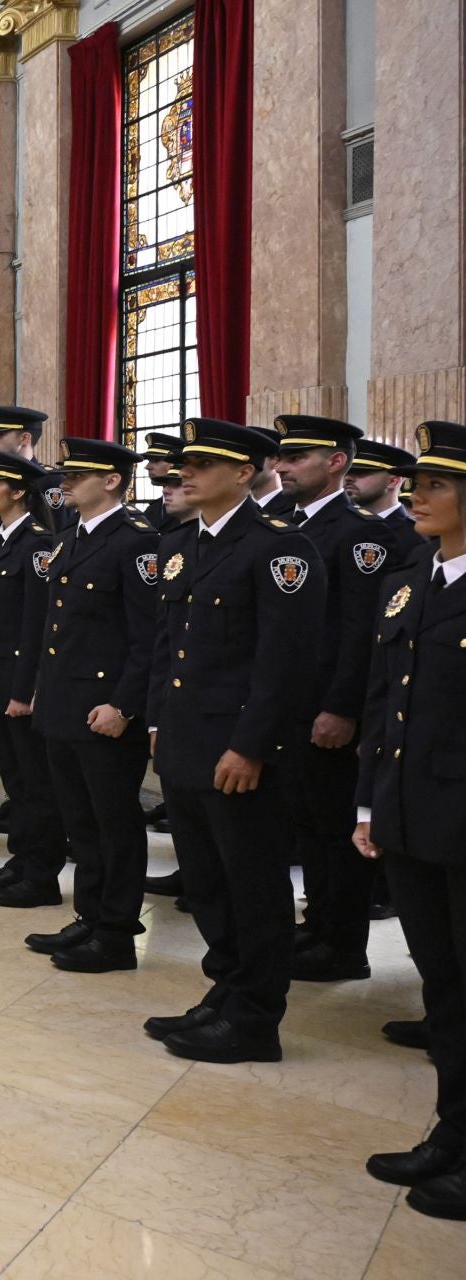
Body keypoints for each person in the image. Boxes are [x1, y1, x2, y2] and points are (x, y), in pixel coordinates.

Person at [144, 418, 324, 1065]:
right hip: (187, 742)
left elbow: (286, 664)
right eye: (184, 465)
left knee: (253, 886)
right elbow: (167, 647)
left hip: (238, 752)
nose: (184, 474)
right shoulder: (183, 545)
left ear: (244, 472)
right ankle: (225, 989)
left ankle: (255, 1019)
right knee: (207, 882)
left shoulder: (278, 550)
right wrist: (158, 723)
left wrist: (251, 746)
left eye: (202, 465)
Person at [354, 420, 466, 1219]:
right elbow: (382, 701)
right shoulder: (411, 579)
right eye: (417, 483)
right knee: (445, 990)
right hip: (409, 814)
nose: (417, 496)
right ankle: (452, 1132)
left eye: (436, 485)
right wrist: (369, 802)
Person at [275, 416, 408, 982]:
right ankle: (318, 923)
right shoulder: (287, 525)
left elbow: (360, 631)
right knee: (307, 823)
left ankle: (344, 945)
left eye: (296, 458)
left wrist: (343, 707)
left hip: (328, 707)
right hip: (292, 704)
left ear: (335, 462)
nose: (282, 467)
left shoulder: (358, 534)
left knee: (335, 827)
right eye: (282, 457)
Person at [18, 438, 160, 970]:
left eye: (78, 475)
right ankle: (90, 915)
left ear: (113, 480)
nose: (66, 483)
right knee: (80, 822)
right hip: (65, 703)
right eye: (66, 475)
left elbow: (149, 638)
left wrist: (124, 705)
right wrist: (43, 687)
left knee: (114, 823)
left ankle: (117, 932)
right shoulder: (70, 538)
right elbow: (59, 629)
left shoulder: (136, 542)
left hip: (105, 710)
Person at [0, 450, 71, 907]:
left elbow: (36, 625)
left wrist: (25, 689)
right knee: (14, 780)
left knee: (34, 783)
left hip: (18, 686)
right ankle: (21, 860)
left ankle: (42, 874)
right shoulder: (0, 540)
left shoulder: (37, 545)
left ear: (19, 493)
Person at [346, 438, 430, 560]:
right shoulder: (341, 526)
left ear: (393, 481)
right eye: (347, 472)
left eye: (361, 472)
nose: (348, 478)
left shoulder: (416, 536)